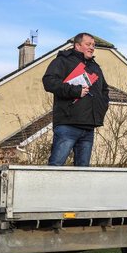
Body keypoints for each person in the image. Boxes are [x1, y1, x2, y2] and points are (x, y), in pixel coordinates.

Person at [42, 33, 109, 166]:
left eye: (93, 45)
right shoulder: (63, 61)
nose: (92, 48)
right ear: (77, 45)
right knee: (55, 167)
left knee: (82, 172)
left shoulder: (95, 67)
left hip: (88, 126)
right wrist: (75, 90)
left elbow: (104, 90)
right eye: (88, 44)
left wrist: (102, 106)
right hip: (68, 124)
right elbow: (49, 82)